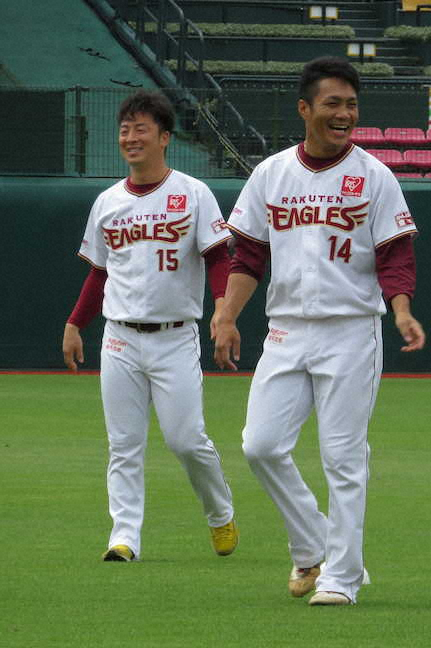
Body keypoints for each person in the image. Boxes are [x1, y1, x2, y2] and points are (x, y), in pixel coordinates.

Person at [213, 56, 425, 607]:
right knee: (260, 445)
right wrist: (227, 315)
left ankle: (341, 579)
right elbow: (248, 255)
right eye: (333, 103)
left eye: (352, 104)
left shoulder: (374, 176)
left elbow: (395, 256)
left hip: (350, 330)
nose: (345, 113)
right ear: (305, 109)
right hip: (286, 330)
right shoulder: (272, 173)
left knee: (343, 458)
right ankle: (312, 544)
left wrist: (401, 311)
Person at [63, 89, 238, 562]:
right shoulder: (108, 201)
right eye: (125, 130)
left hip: (175, 336)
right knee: (123, 444)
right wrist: (76, 323)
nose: (130, 137)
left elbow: (218, 259)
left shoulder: (193, 193)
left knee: (186, 440)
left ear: (164, 137)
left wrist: (223, 313)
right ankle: (124, 537)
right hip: (119, 337)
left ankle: (220, 512)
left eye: (141, 129)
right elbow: (99, 272)